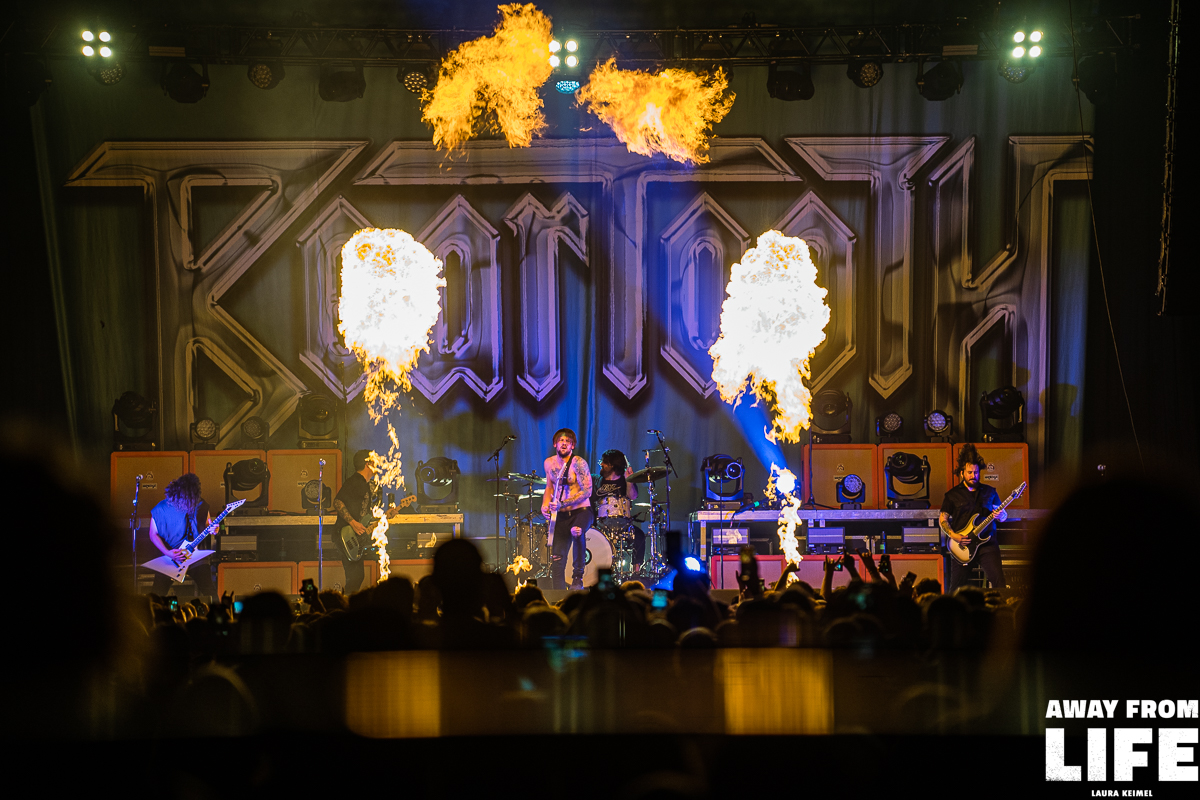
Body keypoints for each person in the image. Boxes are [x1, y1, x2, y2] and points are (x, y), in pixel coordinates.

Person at [939, 443, 1007, 593]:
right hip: (962, 545)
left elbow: (1002, 515)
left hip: (987, 544)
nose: (973, 476)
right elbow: (943, 519)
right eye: (969, 472)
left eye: (976, 472)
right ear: (962, 473)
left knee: (999, 583)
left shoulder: (989, 491)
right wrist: (954, 536)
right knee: (956, 588)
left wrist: (1002, 515)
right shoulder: (952, 495)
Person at [148, 473, 215, 598]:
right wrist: (168, 552)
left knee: (210, 591)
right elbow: (153, 534)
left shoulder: (200, 504)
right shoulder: (161, 508)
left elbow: (208, 524)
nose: (190, 503)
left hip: (196, 555)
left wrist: (214, 530)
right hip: (171, 557)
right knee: (156, 595)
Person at [541, 428, 593, 590]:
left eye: (568, 441)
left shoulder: (578, 463)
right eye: (561, 441)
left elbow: (587, 491)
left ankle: (577, 578)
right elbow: (549, 487)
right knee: (557, 556)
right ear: (555, 444)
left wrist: (563, 503)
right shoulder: (549, 463)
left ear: (572, 446)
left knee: (576, 531)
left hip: (581, 512)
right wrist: (544, 505)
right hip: (561, 515)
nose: (564, 444)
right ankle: (558, 592)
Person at [593, 448, 644, 570]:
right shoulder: (596, 480)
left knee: (639, 536)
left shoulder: (625, 481)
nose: (601, 464)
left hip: (624, 524)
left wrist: (629, 480)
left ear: (612, 465)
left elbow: (633, 496)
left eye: (604, 462)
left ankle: (636, 572)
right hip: (599, 524)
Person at [333, 449, 376, 594]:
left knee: (357, 577)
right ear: (368, 463)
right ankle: (346, 604)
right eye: (374, 460)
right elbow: (338, 502)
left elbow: (364, 515)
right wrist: (352, 522)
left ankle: (348, 603)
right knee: (355, 577)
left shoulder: (365, 484)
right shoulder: (355, 481)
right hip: (346, 535)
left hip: (355, 537)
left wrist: (388, 515)